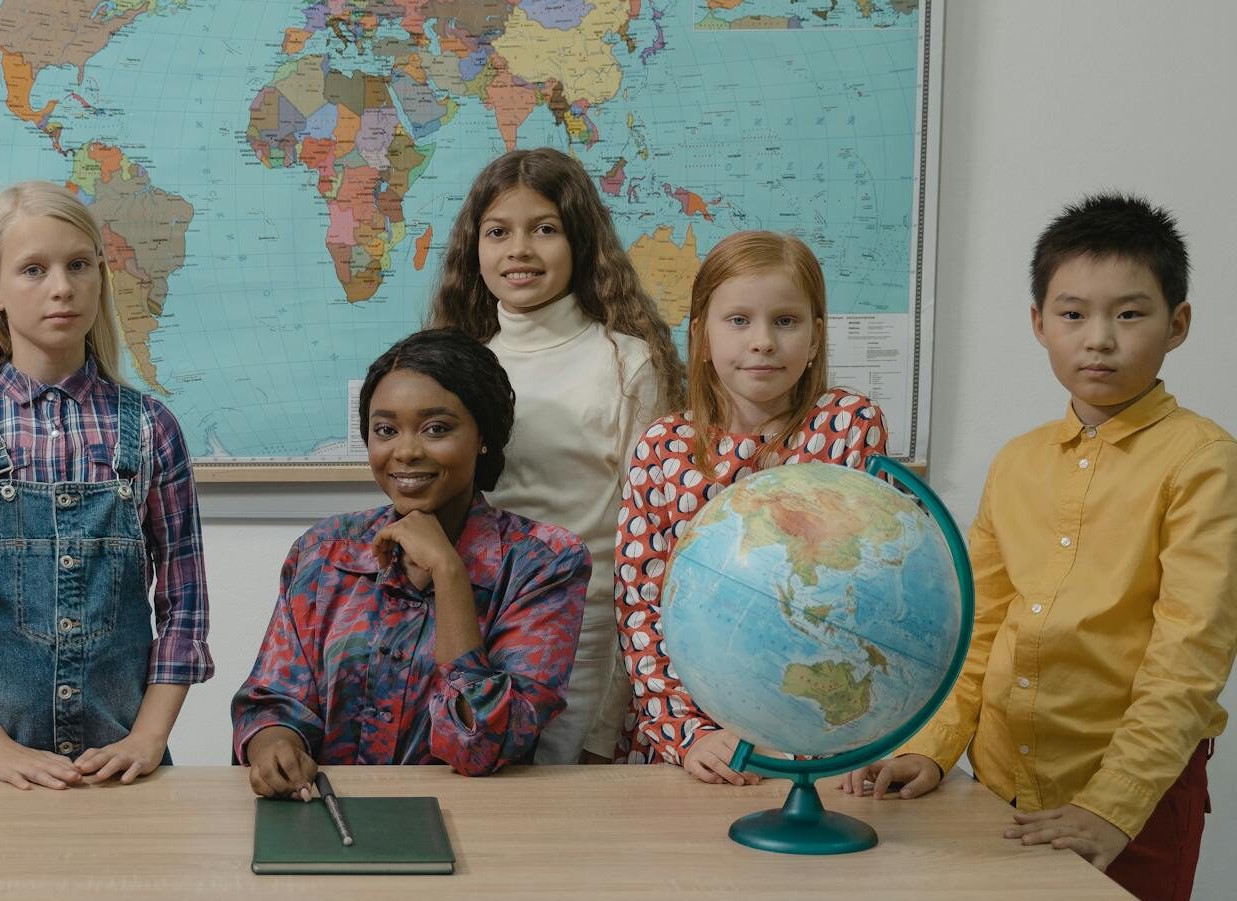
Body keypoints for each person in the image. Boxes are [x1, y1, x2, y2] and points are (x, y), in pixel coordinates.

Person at [841, 194, 1236, 901]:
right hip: (998, 788)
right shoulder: (1017, 462)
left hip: (1132, 800)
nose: (1100, 339)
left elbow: (1191, 653)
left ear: (1178, 324)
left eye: (1131, 313)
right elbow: (982, 628)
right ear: (1039, 323)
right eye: (1074, 313)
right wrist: (932, 748)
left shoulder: (1203, 461)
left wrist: (1110, 805)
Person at [0, 181, 213, 790]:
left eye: (79, 265)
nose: (61, 287)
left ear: (100, 278)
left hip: (118, 768)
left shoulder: (151, 428)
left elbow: (185, 609)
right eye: (33, 269)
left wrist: (148, 738)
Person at [232, 329, 590, 798]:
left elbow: (482, 745)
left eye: (436, 428)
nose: (405, 451)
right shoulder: (324, 550)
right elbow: (274, 698)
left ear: (483, 435)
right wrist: (274, 744)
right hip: (327, 819)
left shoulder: (545, 563)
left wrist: (449, 572)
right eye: (385, 430)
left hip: (479, 830)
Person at [427, 148, 684, 763]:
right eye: (498, 232)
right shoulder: (454, 361)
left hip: (582, 632)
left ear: (581, 243)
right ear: (475, 248)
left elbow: (649, 541)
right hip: (467, 617)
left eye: (544, 229)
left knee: (555, 822)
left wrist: (614, 709)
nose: (520, 249)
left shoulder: (626, 364)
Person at [615, 230, 889, 780]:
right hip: (694, 740)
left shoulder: (848, 427)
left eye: (785, 321)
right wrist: (690, 735)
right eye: (738, 320)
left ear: (816, 337)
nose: (762, 340)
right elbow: (640, 605)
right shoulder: (663, 447)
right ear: (701, 335)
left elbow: (869, 592)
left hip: (820, 734)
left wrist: (815, 733)